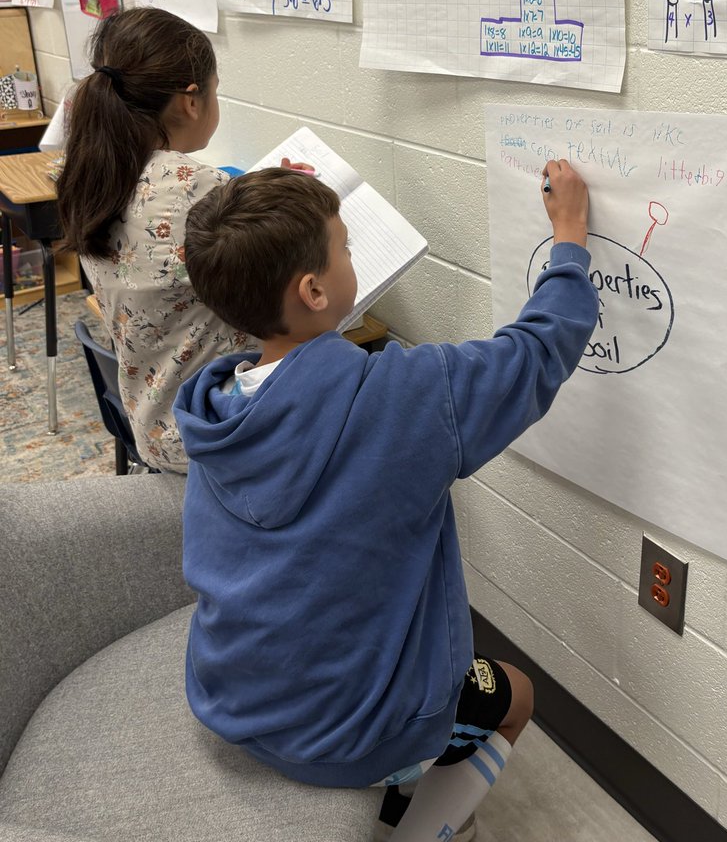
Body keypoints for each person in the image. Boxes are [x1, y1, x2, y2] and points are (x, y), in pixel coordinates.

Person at [174, 159, 599, 840]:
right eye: (344, 247)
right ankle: (423, 825)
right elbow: (538, 351)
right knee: (514, 694)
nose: (352, 254)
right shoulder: (406, 395)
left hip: (232, 700)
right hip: (354, 737)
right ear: (314, 289)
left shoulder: (216, 411)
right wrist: (570, 235)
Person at [55, 6, 308, 474]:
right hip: (220, 433)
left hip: (152, 423)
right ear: (191, 100)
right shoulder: (198, 187)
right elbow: (282, 293)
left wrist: (251, 198)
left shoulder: (94, 171)